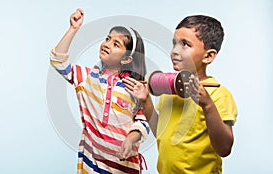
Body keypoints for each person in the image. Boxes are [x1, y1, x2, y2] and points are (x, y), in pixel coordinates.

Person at [123, 15, 238, 174]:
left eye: (185, 44)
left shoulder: (218, 94)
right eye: (174, 44)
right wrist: (146, 101)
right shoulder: (169, 91)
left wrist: (207, 105)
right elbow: (160, 133)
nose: (175, 51)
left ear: (208, 56)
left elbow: (224, 148)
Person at [50, 8, 150, 173]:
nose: (107, 44)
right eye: (107, 39)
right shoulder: (86, 77)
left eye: (116, 44)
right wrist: (73, 28)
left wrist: (130, 139)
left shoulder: (135, 87)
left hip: (124, 167)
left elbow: (143, 122)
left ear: (126, 59)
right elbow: (57, 61)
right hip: (91, 165)